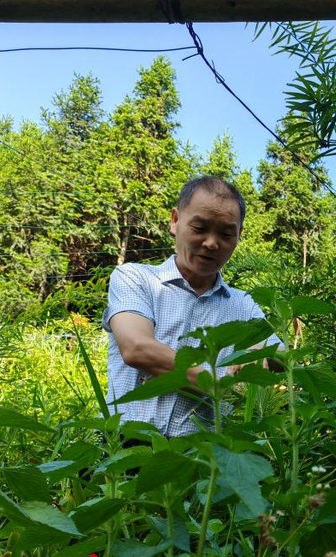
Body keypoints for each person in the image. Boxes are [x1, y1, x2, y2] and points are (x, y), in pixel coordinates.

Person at [103, 175, 282, 439]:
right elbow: (137, 348)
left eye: (226, 233)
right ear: (175, 220)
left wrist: (258, 356)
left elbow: (280, 353)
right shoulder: (135, 278)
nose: (211, 243)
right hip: (127, 444)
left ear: (239, 235)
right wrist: (218, 385)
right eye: (199, 228)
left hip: (207, 452)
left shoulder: (243, 303)